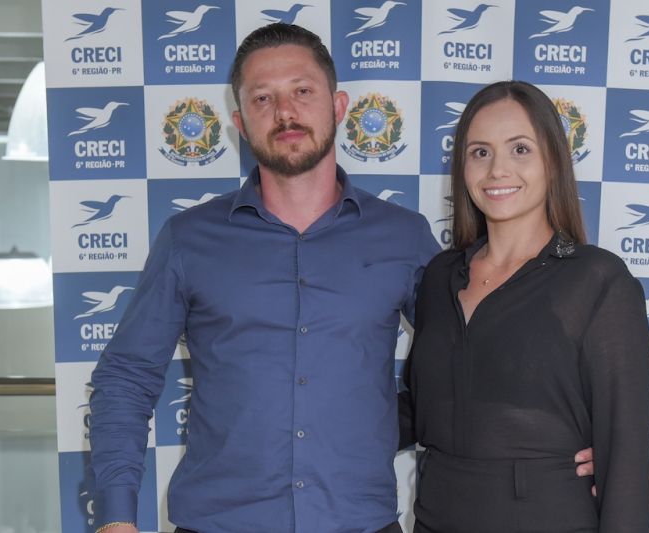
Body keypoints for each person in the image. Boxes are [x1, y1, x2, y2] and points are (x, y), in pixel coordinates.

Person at [86, 24, 594, 533]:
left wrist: (569, 439)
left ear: (339, 105)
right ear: (240, 122)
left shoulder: (403, 237)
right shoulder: (188, 239)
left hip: (362, 522)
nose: (285, 112)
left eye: (302, 91)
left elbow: (476, 363)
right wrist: (115, 519)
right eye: (263, 98)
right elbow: (126, 379)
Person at [398, 81, 649, 533]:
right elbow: (421, 410)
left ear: (552, 161)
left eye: (520, 149)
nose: (498, 169)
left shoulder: (597, 280)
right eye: (480, 152)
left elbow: (627, 462)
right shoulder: (439, 276)